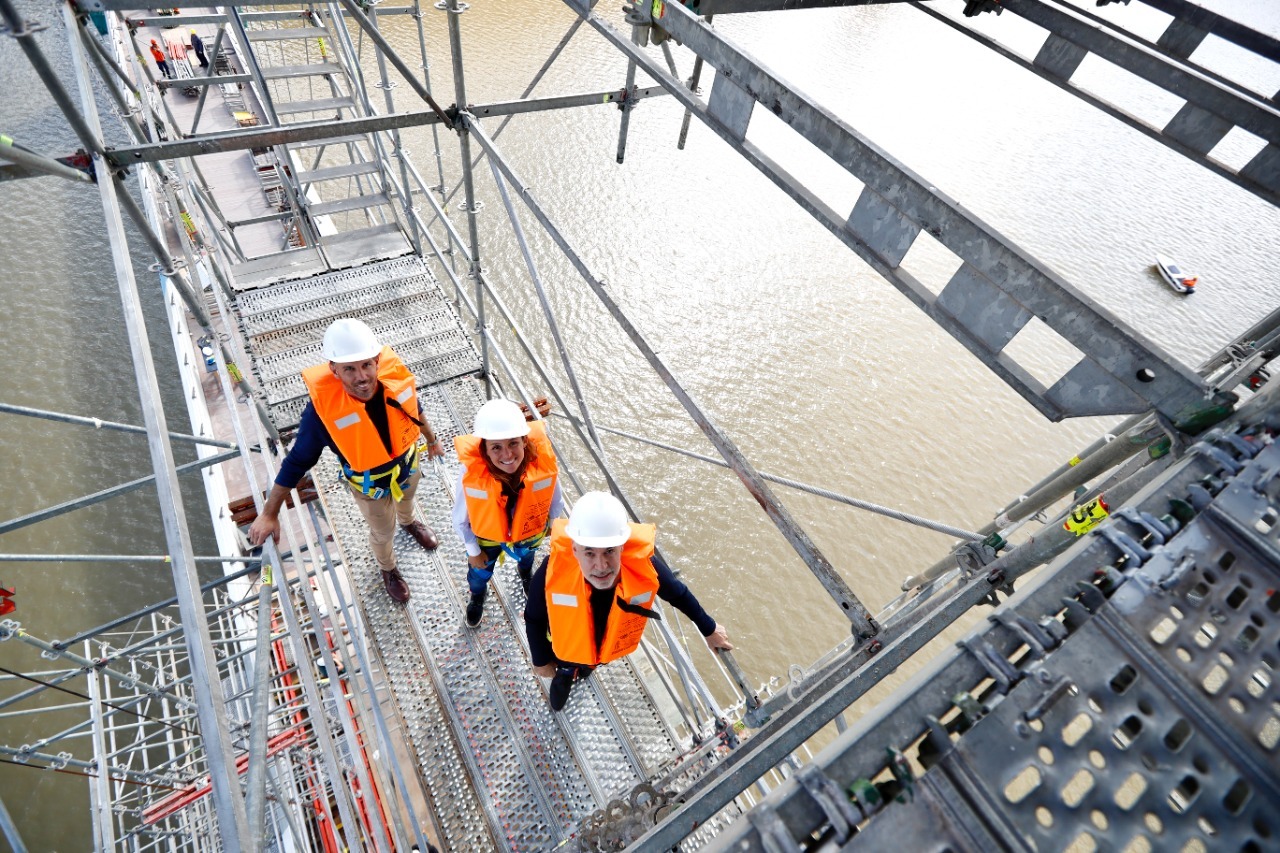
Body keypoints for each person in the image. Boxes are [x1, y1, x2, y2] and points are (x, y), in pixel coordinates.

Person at [248, 318, 445, 603]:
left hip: (408, 465)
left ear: (377, 361)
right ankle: (388, 568)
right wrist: (270, 512)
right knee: (382, 531)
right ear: (334, 370)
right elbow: (297, 462)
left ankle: (409, 522)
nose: (361, 377)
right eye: (349, 369)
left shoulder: (394, 383)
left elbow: (417, 411)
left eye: (366, 365)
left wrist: (432, 441)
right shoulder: (321, 415)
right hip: (371, 486)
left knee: (407, 501)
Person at [524, 492, 733, 711]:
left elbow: (678, 594)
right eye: (589, 553)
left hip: (604, 646)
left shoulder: (644, 566)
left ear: (622, 547)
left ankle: (587, 668)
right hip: (565, 649)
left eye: (610, 551)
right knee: (564, 679)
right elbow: (534, 617)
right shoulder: (552, 571)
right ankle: (567, 676)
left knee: (587, 667)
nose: (602, 565)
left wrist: (708, 628)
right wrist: (540, 660)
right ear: (575, 550)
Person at [451, 398, 563, 628]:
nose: (507, 454)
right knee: (479, 573)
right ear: (485, 449)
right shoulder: (470, 474)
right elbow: (460, 519)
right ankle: (477, 596)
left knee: (527, 557)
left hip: (528, 531)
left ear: (524, 441)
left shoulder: (541, 465)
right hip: (487, 540)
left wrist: (553, 521)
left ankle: (526, 574)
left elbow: (555, 495)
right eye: (496, 447)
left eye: (513, 443)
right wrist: (473, 551)